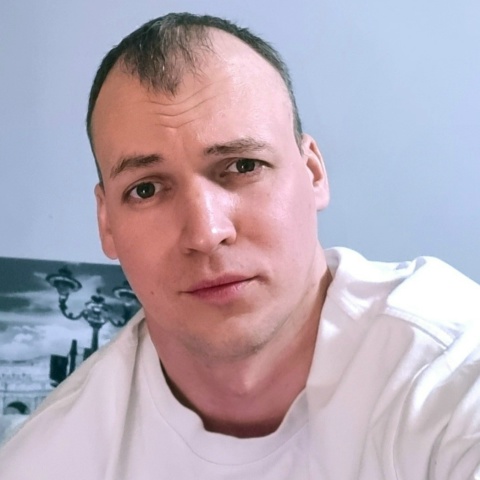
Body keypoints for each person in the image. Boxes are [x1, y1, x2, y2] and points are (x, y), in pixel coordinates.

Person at [1, 12, 479, 480]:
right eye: (145, 189)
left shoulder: (448, 373)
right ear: (106, 222)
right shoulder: (49, 459)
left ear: (313, 173)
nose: (205, 233)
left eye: (243, 166)